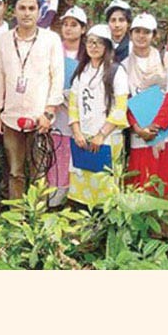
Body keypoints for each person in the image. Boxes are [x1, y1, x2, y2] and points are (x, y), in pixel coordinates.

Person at [0, 0, 65, 200]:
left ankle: (37, 220)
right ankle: (16, 219)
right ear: (13, 11)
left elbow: (56, 78)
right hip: (11, 117)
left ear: (39, 11)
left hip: (39, 117)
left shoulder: (50, 40)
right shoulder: (3, 41)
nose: (26, 13)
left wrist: (49, 112)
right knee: (15, 172)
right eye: (22, 8)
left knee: (39, 171)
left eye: (31, 8)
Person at [122, 13, 168, 199]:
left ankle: (166, 226)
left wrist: (158, 126)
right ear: (131, 34)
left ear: (154, 35)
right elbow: (123, 99)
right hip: (139, 131)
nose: (141, 36)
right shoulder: (124, 65)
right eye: (137, 31)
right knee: (141, 181)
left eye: (146, 32)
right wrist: (138, 128)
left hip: (164, 131)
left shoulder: (166, 60)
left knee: (165, 180)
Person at [68, 24, 129, 207]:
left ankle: (105, 230)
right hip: (83, 138)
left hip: (108, 138)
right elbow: (73, 104)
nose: (93, 46)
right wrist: (77, 132)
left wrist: (101, 134)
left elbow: (120, 107)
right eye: (90, 42)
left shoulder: (116, 71)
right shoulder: (82, 71)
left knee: (106, 185)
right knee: (81, 185)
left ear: (107, 46)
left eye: (99, 43)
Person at [47, 6, 87, 207]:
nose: (69, 29)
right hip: (58, 113)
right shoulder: (54, 49)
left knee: (78, 157)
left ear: (83, 29)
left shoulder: (88, 53)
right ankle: (55, 200)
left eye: (74, 25)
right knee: (57, 157)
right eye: (66, 24)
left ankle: (77, 201)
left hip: (82, 115)